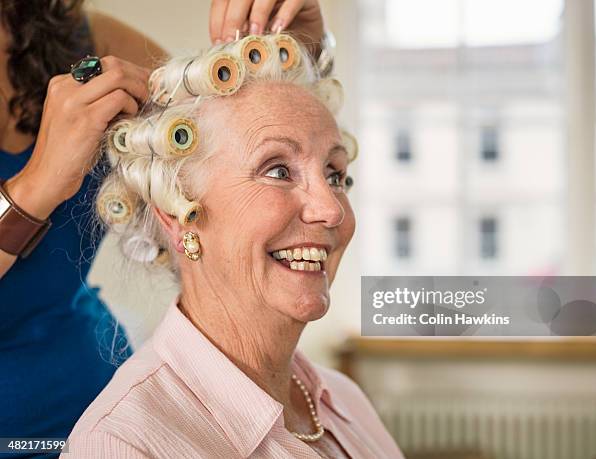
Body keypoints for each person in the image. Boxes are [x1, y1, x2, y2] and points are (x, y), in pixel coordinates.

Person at [0, 0, 325, 453]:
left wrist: (293, 49)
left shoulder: (79, 37)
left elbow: (207, 141)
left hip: (104, 395)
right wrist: (36, 185)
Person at [61, 32, 404, 459]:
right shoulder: (123, 444)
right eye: (278, 170)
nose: (330, 211)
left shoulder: (343, 400)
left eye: (335, 174)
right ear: (175, 212)